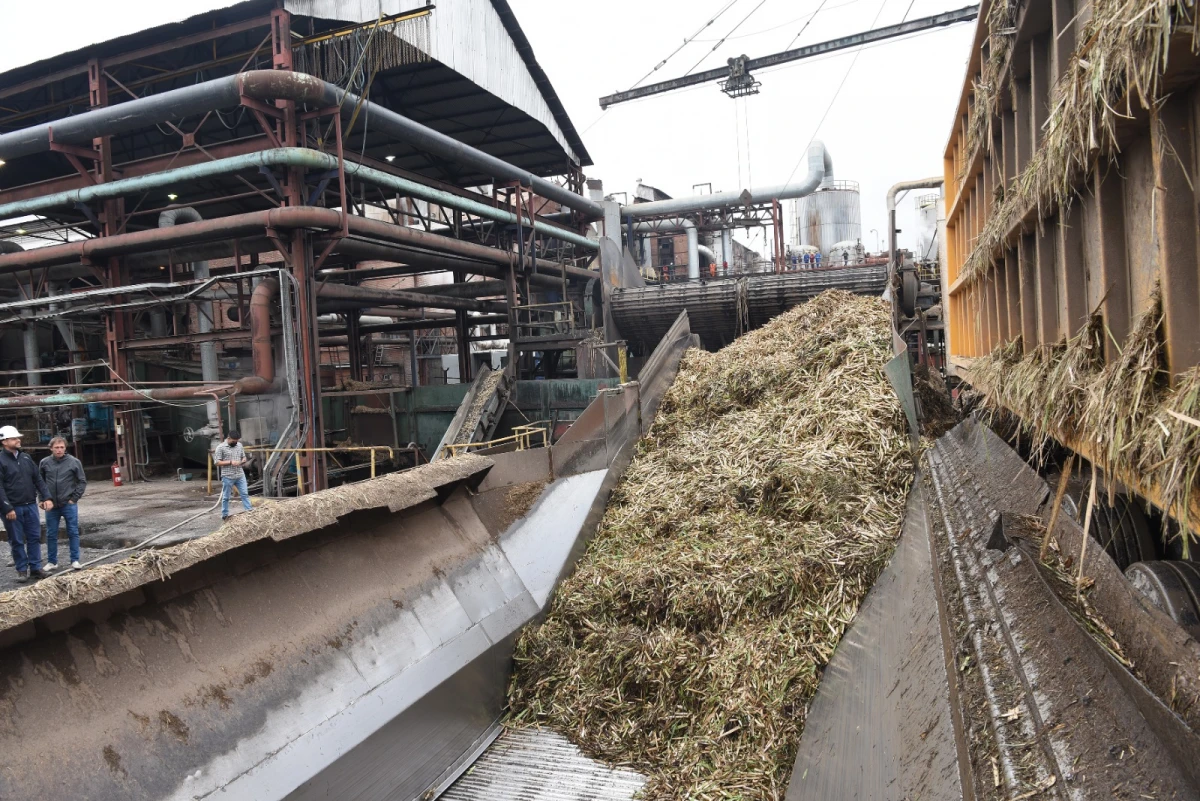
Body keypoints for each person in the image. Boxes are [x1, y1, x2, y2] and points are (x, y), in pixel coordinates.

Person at [0, 425, 52, 582]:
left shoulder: (26, 458)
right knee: (16, 539)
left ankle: (36, 568)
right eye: (15, 438)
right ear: (4, 441)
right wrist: (7, 507)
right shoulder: (0, 460)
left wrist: (46, 497)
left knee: (34, 537)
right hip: (12, 508)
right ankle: (22, 570)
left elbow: (37, 479)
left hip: (30, 505)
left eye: (18, 437)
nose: (18, 440)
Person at [40, 436, 87, 571]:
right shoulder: (44, 463)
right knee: (51, 533)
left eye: (61, 447)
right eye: (56, 447)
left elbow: (82, 481)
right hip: (51, 505)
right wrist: (42, 500)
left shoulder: (74, 462)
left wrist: (74, 499)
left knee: (72, 531)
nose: (59, 450)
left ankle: (75, 560)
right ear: (51, 448)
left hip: (68, 504)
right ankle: (52, 561)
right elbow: (40, 483)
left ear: (65, 448)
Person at [214, 430, 253, 520]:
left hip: (240, 475)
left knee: (244, 494)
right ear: (228, 438)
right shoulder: (220, 447)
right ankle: (225, 514)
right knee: (226, 497)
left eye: (237, 441)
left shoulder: (239, 445)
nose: (235, 443)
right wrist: (230, 462)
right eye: (233, 441)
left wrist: (243, 460)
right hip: (228, 476)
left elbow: (243, 456)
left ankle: (250, 511)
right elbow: (217, 462)